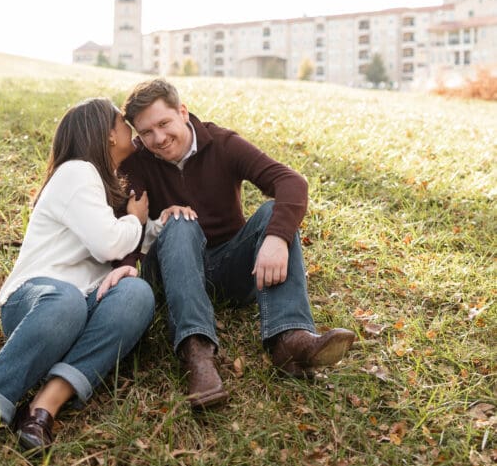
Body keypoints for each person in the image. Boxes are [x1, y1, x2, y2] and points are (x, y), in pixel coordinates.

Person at [0, 98, 156, 466]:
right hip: (35, 301)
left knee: (136, 294)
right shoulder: (77, 172)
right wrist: (135, 221)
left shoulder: (104, 184)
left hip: (81, 304)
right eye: (122, 122)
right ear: (107, 135)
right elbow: (109, 243)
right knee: (66, 301)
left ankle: (44, 407)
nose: (129, 128)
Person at [120, 79, 355, 410]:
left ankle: (290, 339)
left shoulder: (223, 144)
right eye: (146, 132)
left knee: (274, 212)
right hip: (173, 271)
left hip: (230, 267)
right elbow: (126, 222)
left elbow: (290, 182)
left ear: (182, 112)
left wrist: (275, 238)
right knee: (180, 223)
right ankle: (197, 355)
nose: (158, 139)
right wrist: (160, 222)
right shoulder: (137, 161)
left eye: (164, 123)